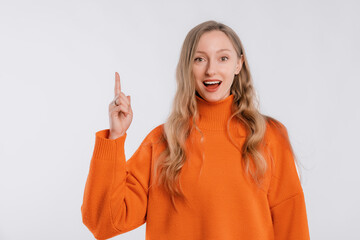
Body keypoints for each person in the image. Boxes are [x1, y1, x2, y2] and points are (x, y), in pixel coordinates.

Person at [81, 20, 310, 240]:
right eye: (199, 59)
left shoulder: (269, 135)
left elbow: (292, 227)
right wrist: (115, 137)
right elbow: (103, 223)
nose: (211, 70)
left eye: (223, 58)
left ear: (238, 64)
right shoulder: (162, 141)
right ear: (187, 66)